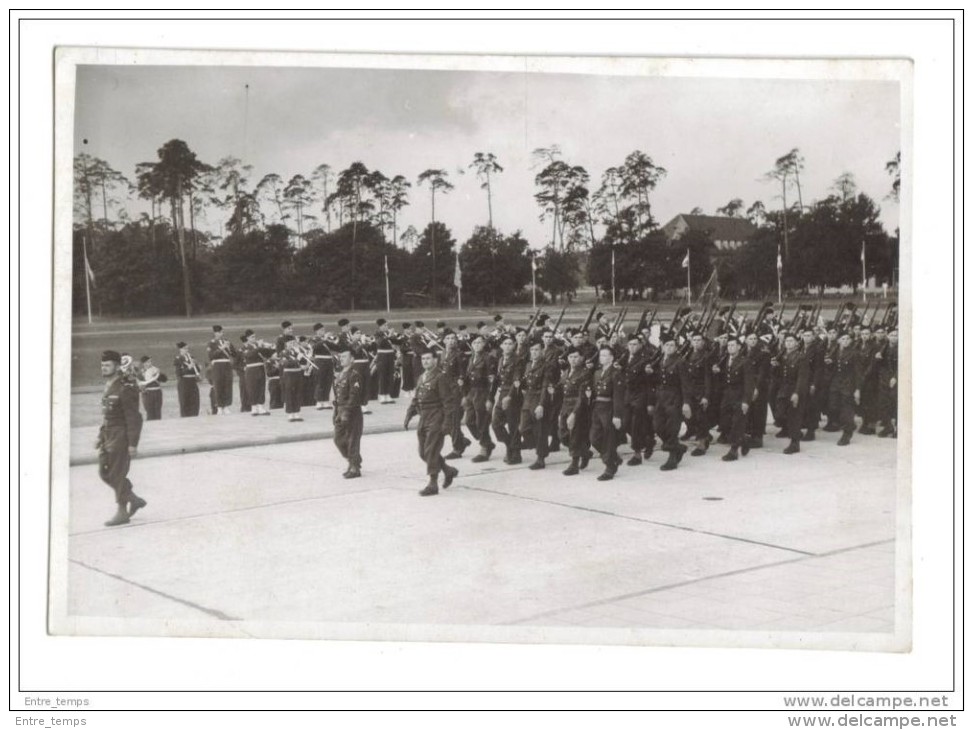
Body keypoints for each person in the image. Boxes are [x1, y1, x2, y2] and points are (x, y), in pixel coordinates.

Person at [95, 350, 146, 527]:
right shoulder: (109, 385)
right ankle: (134, 499)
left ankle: (122, 511)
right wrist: (100, 436)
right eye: (102, 365)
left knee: (117, 473)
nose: (104, 368)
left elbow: (134, 417)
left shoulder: (126, 387)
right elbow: (107, 415)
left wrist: (133, 444)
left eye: (107, 365)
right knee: (104, 472)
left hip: (121, 435)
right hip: (108, 435)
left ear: (117, 367)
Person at [404, 348, 459, 496]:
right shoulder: (422, 377)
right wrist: (409, 414)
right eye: (423, 359)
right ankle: (448, 471)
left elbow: (448, 402)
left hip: (436, 416)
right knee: (423, 452)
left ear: (435, 360)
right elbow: (417, 398)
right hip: (424, 417)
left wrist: (447, 422)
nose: (425, 361)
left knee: (431, 450)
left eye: (428, 358)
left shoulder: (441, 377)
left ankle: (433, 483)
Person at [653, 334, 692, 471]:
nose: (669, 348)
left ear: (676, 348)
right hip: (661, 398)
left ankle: (672, 459)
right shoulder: (659, 360)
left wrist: (686, 403)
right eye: (667, 345)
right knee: (657, 427)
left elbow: (685, 384)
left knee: (672, 429)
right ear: (662, 347)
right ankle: (678, 448)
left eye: (672, 346)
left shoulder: (680, 362)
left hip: (674, 399)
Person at [588, 345, 626, 481]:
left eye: (605, 355)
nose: (601, 358)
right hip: (597, 408)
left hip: (609, 408)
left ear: (611, 358)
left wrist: (617, 415)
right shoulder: (597, 373)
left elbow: (618, 396)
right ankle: (613, 458)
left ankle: (610, 467)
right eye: (601, 355)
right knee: (594, 438)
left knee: (609, 439)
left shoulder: (616, 373)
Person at [717, 337, 755, 462]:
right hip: (727, 396)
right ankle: (743, 440)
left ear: (739, 347)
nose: (730, 347)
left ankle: (734, 450)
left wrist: (746, 401)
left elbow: (749, 384)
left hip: (740, 396)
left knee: (737, 422)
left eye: (733, 345)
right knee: (725, 422)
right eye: (728, 345)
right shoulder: (726, 359)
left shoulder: (745, 361)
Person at [519, 340, 554, 470]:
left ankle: (541, 458)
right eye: (532, 350)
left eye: (537, 350)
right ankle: (540, 447)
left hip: (539, 399)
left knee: (540, 430)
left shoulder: (547, 366)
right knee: (524, 428)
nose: (534, 352)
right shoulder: (528, 365)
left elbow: (545, 386)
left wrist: (541, 405)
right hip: (528, 400)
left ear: (542, 351)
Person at [558, 346, 593, 476]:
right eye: (571, 357)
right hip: (565, 407)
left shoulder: (584, 373)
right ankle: (585, 452)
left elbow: (582, 396)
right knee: (563, 436)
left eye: (576, 357)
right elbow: (561, 389)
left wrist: (574, 414)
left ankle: (574, 464)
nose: (573, 360)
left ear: (582, 358)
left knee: (575, 436)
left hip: (578, 408)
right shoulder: (566, 372)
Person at [489, 335, 524, 464]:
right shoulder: (501, 359)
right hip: (502, 393)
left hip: (513, 395)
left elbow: (516, 380)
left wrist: (509, 396)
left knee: (513, 425)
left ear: (514, 345)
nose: (508, 346)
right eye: (505, 343)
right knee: (496, 423)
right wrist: (490, 397)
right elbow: (497, 379)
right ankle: (510, 446)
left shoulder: (518, 360)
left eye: (510, 343)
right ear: (501, 346)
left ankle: (516, 454)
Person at [775, 332, 810, 454]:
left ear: (796, 343)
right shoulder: (784, 356)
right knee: (779, 414)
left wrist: (797, 393)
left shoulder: (801, 357)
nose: (788, 343)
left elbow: (802, 377)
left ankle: (795, 443)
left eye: (791, 341)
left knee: (794, 416)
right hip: (784, 389)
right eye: (787, 341)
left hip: (795, 389)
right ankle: (794, 432)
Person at [620, 334, 652, 465]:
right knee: (625, 423)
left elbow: (650, 383)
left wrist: (650, 402)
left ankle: (637, 454)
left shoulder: (645, 360)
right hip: (628, 394)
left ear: (640, 345)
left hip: (640, 395)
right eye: (630, 345)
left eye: (635, 344)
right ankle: (648, 440)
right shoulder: (624, 357)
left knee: (636, 424)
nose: (632, 347)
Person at [463, 334, 496, 463]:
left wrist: (489, 398)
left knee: (482, 422)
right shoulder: (472, 358)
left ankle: (484, 449)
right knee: (469, 421)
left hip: (482, 392)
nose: (477, 345)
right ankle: (487, 442)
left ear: (484, 344)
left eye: (480, 342)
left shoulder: (489, 359)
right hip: (472, 393)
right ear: (471, 345)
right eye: (474, 343)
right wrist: (465, 395)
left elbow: (492, 381)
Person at [333, 347, 364, 478]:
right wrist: (336, 412)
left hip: (352, 411)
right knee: (338, 439)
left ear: (352, 359)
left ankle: (354, 468)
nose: (341, 359)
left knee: (352, 440)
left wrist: (346, 412)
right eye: (341, 357)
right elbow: (337, 395)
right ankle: (354, 461)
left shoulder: (354, 375)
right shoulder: (340, 374)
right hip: (340, 410)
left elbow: (354, 395)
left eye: (345, 356)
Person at [825, 331, 862, 446]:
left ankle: (847, 434)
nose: (845, 341)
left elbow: (858, 373)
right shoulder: (835, 351)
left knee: (846, 409)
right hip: (835, 384)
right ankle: (848, 424)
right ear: (838, 340)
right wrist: (829, 363)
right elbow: (833, 368)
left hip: (848, 384)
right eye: (843, 339)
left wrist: (857, 389)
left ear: (850, 341)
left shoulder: (854, 353)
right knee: (833, 407)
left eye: (847, 339)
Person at [240, 329, 274, 416]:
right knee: (252, 388)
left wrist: (270, 347)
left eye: (254, 337)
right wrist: (259, 347)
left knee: (261, 387)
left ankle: (260, 406)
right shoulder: (245, 347)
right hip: (251, 369)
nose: (254, 338)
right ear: (247, 338)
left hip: (260, 368)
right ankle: (254, 407)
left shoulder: (257, 346)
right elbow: (248, 355)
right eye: (252, 337)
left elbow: (268, 355)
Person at [207, 325, 236, 415]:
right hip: (217, 365)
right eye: (219, 332)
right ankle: (219, 406)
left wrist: (229, 348)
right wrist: (221, 348)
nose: (221, 334)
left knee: (227, 384)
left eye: (222, 332)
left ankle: (226, 405)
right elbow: (211, 356)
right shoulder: (211, 343)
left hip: (226, 364)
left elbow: (234, 354)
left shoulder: (227, 341)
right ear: (215, 333)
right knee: (218, 385)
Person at [876, 329, 898, 438]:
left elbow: (903, 364)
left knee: (895, 402)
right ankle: (888, 426)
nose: (894, 337)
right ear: (888, 336)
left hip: (895, 378)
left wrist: (895, 377)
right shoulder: (884, 347)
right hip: (884, 378)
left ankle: (898, 428)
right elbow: (880, 364)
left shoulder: (901, 348)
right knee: (883, 402)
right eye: (892, 335)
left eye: (896, 335)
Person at [311, 322, 335, 410]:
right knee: (320, 381)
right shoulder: (313, 339)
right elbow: (315, 347)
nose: (323, 331)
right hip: (320, 361)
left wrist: (332, 341)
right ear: (316, 332)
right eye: (321, 330)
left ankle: (325, 400)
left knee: (328, 381)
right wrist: (324, 339)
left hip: (328, 361)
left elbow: (335, 347)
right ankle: (319, 401)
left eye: (324, 330)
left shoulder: (326, 340)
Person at [280, 336, 305, 422]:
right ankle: (290, 413)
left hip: (297, 373)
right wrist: (297, 359)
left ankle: (297, 412)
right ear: (286, 344)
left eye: (293, 343)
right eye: (290, 343)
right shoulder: (283, 352)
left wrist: (302, 356)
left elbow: (302, 362)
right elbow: (286, 363)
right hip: (289, 374)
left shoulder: (296, 352)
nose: (292, 344)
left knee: (298, 392)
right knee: (290, 393)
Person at [173, 341, 201, 417]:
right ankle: (185, 418)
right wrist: (188, 367)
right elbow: (179, 373)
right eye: (185, 349)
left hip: (192, 382)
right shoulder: (178, 359)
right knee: (185, 401)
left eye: (187, 348)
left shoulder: (191, 358)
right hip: (184, 383)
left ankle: (194, 416)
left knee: (195, 401)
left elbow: (197, 370)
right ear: (180, 350)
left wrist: (196, 365)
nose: (187, 350)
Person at [373, 318, 397, 405]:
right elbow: (380, 343)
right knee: (383, 375)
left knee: (390, 375)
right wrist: (389, 335)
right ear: (381, 326)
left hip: (390, 356)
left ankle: (388, 394)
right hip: (382, 356)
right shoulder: (377, 333)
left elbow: (395, 342)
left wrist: (394, 336)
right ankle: (382, 395)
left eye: (387, 325)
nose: (387, 327)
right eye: (385, 325)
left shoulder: (388, 333)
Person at [137, 355, 166, 420]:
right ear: (143, 364)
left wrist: (159, 374)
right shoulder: (141, 373)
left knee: (158, 412)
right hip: (148, 393)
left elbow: (164, 380)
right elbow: (140, 385)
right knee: (149, 412)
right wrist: (142, 389)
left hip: (157, 392)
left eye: (150, 362)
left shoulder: (155, 370)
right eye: (147, 362)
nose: (150, 363)